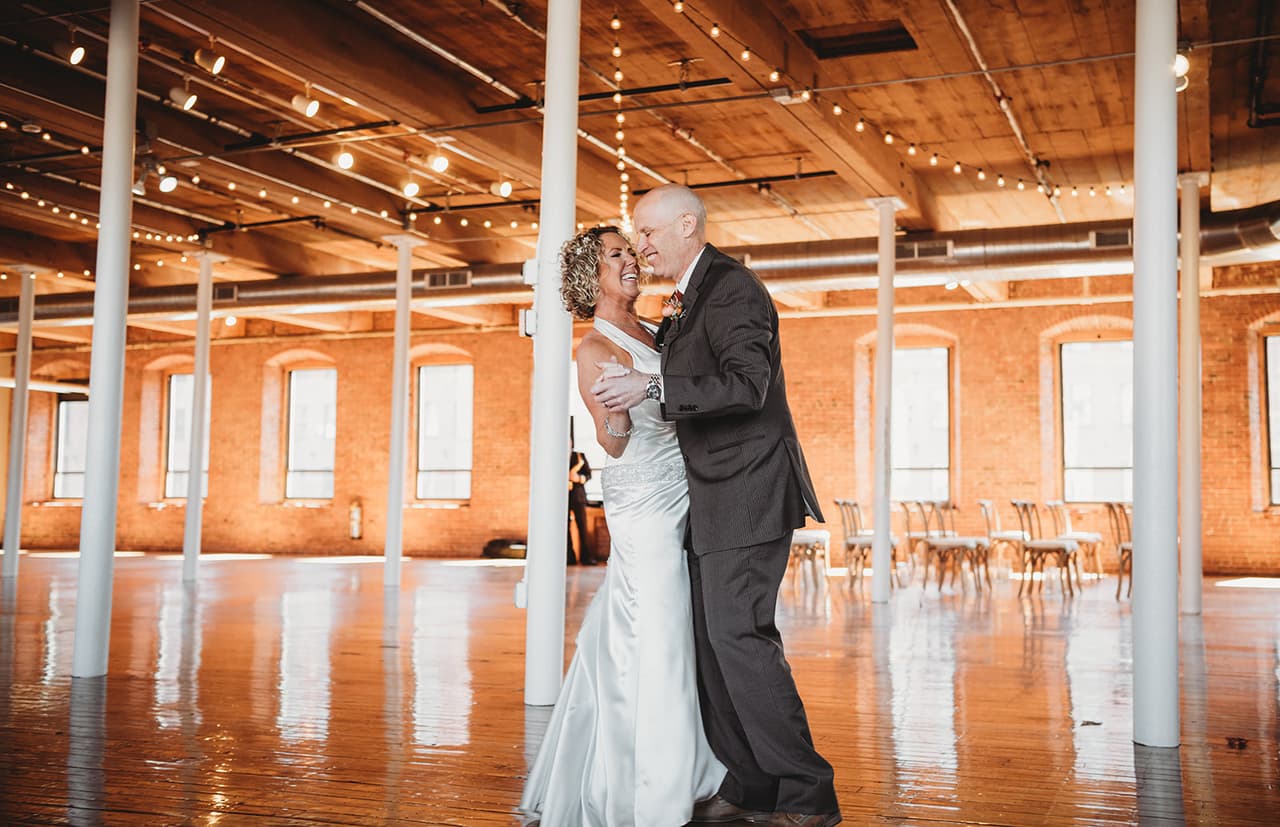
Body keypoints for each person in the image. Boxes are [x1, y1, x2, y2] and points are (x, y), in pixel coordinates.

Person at [591, 185, 840, 827]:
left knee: (741, 639)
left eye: (648, 233)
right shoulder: (687, 296)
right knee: (712, 644)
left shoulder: (731, 287)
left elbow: (747, 384)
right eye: (634, 237)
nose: (641, 247)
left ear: (687, 224)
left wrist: (650, 383)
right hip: (708, 499)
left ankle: (808, 794)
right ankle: (751, 782)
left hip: (748, 491)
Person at [519, 227, 723, 825]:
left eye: (631, 252)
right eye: (617, 255)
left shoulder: (658, 329)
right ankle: (652, 779)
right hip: (645, 500)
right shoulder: (592, 348)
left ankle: (688, 760)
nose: (631, 261)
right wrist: (613, 417)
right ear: (593, 274)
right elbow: (613, 441)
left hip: (689, 485)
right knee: (655, 629)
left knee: (662, 623)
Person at [566, 440, 596, 565]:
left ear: (571, 443)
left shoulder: (579, 456)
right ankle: (569, 558)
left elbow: (588, 475)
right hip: (563, 498)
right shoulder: (555, 456)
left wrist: (578, 478)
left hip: (578, 497)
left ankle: (586, 558)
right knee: (564, 529)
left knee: (582, 528)